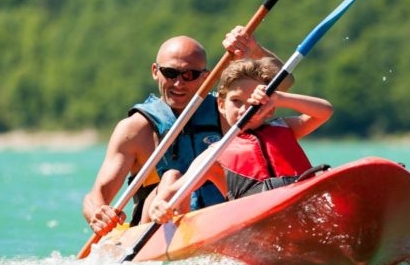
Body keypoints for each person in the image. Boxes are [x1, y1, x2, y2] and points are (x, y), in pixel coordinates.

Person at [82, 27, 278, 237]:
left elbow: (279, 85)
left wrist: (254, 50)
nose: (179, 83)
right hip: (156, 228)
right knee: (171, 177)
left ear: (205, 77)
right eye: (170, 73)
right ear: (155, 71)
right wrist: (99, 214)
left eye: (189, 75)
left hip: (221, 221)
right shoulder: (135, 129)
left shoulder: (224, 111)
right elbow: (96, 197)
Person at [145, 57, 333, 223]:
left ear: (270, 108)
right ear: (221, 105)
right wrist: (159, 206)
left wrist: (279, 98)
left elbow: (325, 111)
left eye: (253, 102)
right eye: (236, 101)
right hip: (256, 223)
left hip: (302, 210)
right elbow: (174, 191)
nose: (244, 109)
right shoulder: (214, 154)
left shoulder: (284, 128)